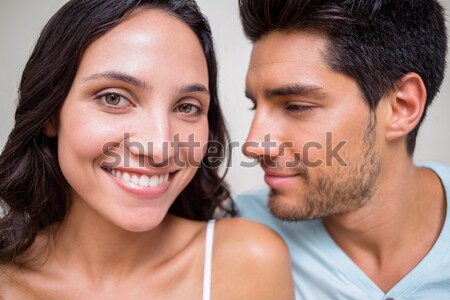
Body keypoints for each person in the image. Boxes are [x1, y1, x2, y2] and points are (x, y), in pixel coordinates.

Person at [0, 1, 294, 299]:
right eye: (114, 98)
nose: (160, 148)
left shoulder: (246, 262)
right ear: (51, 114)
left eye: (186, 106)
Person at [235, 0, 450, 299]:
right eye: (255, 105)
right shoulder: (233, 233)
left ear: (402, 107)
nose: (253, 145)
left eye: (297, 106)